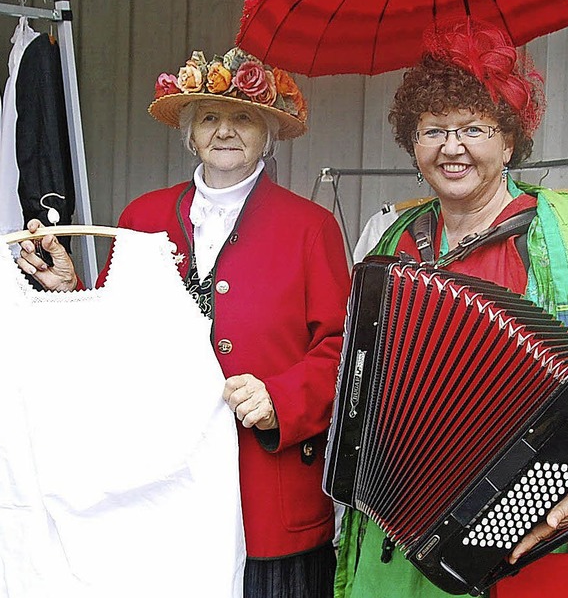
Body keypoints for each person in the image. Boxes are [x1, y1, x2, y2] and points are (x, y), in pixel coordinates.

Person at [17, 46, 351, 598]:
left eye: (243, 116)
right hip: (162, 491)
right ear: (191, 133)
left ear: (266, 133)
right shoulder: (142, 217)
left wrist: (280, 398)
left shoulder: (310, 227)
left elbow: (341, 348)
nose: (225, 131)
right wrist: (69, 290)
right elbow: (116, 334)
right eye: (210, 118)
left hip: (269, 496)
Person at [334, 20, 568, 598]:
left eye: (475, 127)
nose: (453, 147)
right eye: (434, 130)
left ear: (508, 140)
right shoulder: (393, 242)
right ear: (413, 142)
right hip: (397, 522)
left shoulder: (565, 237)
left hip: (530, 522)